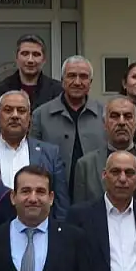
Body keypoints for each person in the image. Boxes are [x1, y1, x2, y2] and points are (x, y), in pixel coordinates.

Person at [0, 166, 101, 271]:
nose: (33, 198)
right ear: (13, 197)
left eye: (40, 192)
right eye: (26, 191)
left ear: (51, 198)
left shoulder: (74, 239)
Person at [66, 151, 136, 271]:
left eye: (129, 173)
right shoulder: (80, 216)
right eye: (115, 172)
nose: (122, 179)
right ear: (104, 175)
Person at [72, 96, 136, 219]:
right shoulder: (85, 165)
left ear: (135, 124)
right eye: (114, 116)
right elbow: (78, 218)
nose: (121, 122)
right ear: (105, 124)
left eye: (128, 116)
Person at [31, 56, 106, 196]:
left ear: (90, 82)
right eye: (71, 76)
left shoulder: (105, 114)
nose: (77, 82)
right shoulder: (40, 115)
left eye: (83, 77)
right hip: (54, 193)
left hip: (96, 193)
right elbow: (33, 158)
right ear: (62, 80)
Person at [0, 91, 69, 221]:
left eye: (21, 111)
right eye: (8, 110)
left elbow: (61, 204)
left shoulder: (50, 153)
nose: (15, 115)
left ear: (29, 117)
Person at [0, 34, 61, 110]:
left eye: (36, 54)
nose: (30, 60)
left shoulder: (57, 91)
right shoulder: (1, 89)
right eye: (25, 54)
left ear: (44, 60)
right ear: (16, 58)